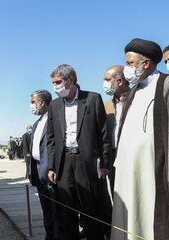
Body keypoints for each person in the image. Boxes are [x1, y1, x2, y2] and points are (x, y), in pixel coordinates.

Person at [112, 38, 169, 240]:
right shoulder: (133, 92)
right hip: (128, 171)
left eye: (130, 63)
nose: (127, 69)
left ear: (146, 63)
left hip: (153, 170)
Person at [47, 64, 111, 240]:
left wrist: (105, 163)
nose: (55, 86)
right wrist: (52, 167)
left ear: (71, 80)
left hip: (87, 162)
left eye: (58, 82)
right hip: (64, 162)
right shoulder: (54, 105)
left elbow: (103, 134)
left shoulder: (92, 99)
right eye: (53, 83)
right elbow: (51, 139)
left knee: (92, 210)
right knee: (67, 213)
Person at [29, 90, 63, 240]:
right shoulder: (37, 123)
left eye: (32, 102)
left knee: (58, 210)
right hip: (38, 172)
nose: (31, 106)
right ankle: (49, 235)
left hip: (51, 172)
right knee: (46, 209)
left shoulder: (56, 119)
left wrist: (53, 167)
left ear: (41, 102)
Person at [102, 65, 130, 239]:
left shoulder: (136, 98)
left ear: (119, 80)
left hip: (132, 156)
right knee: (117, 197)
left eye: (107, 79)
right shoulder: (105, 105)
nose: (104, 84)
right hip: (113, 158)